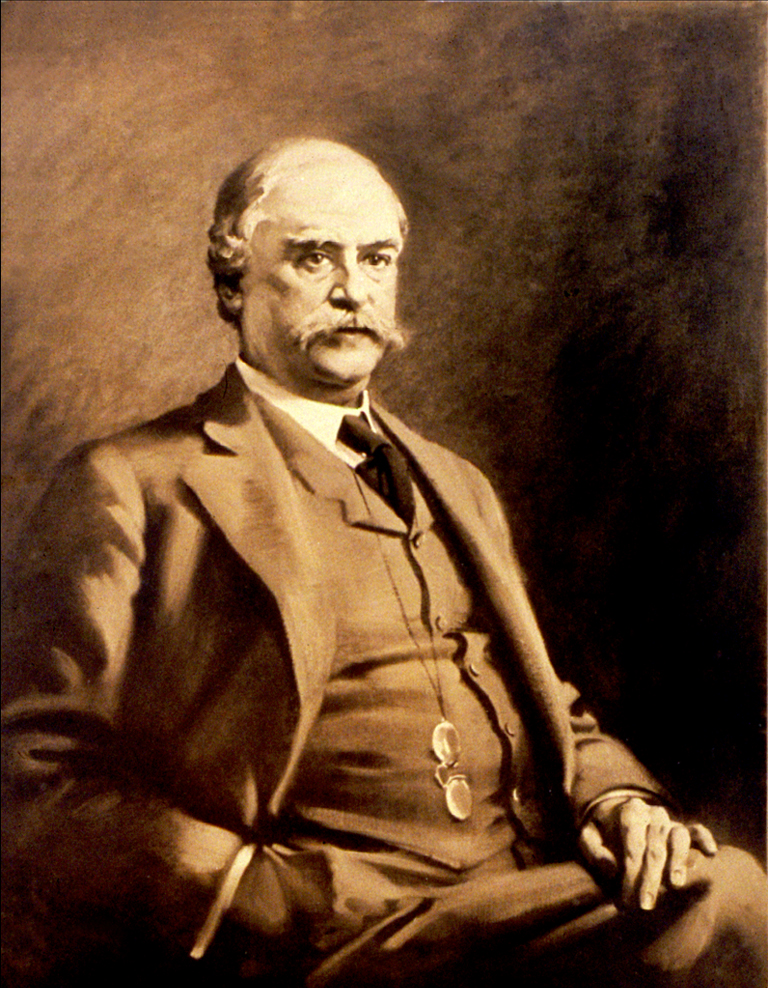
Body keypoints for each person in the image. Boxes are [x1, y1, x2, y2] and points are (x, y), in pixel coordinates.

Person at [2, 138, 765, 988]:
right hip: (333, 937)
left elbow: (548, 706)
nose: (352, 289)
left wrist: (618, 801)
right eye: (313, 257)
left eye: (376, 259)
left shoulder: (457, 482)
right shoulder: (131, 482)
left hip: (526, 893)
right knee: (734, 906)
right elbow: (31, 775)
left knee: (718, 892)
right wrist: (245, 889)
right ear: (233, 283)